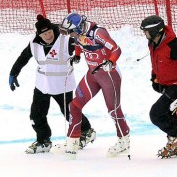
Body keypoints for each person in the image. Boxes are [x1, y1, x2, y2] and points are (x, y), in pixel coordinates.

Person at [9, 14, 96, 154]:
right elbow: (23, 57)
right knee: (36, 115)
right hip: (42, 85)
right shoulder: (34, 43)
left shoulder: (65, 40)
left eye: (49, 32)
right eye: (44, 34)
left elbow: (84, 44)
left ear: (53, 29)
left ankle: (86, 131)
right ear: (39, 34)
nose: (48, 35)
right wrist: (13, 73)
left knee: (69, 112)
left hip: (62, 85)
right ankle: (43, 141)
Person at [59, 12, 130, 159]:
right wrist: (77, 55)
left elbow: (116, 49)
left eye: (71, 32)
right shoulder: (79, 35)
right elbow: (79, 44)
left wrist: (110, 62)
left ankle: (124, 141)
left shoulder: (98, 33)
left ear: (78, 28)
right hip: (93, 74)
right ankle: (73, 142)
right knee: (74, 106)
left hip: (109, 75)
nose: (70, 35)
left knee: (114, 111)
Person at [140, 15, 177, 158]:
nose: (144, 34)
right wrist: (155, 77)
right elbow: (157, 61)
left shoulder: (172, 45)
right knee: (166, 113)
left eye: (145, 31)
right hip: (168, 84)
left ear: (154, 31)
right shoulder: (153, 43)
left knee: (156, 114)